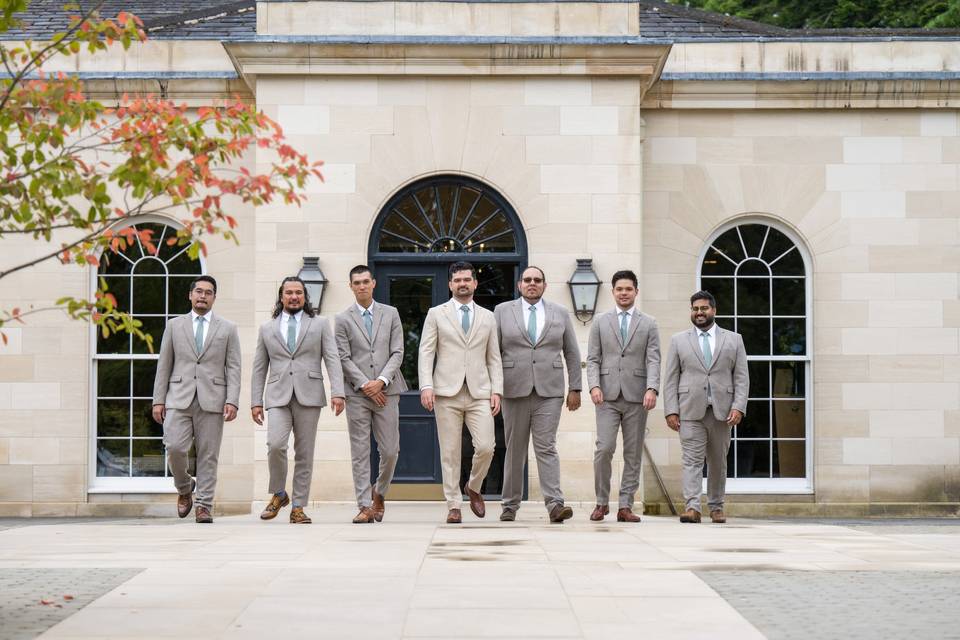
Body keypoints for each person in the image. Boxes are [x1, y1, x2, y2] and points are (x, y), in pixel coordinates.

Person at [250, 276, 345, 524]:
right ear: (281, 297)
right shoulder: (267, 328)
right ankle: (279, 494)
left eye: (299, 293)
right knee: (275, 445)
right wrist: (255, 401)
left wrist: (338, 392)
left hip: (310, 394)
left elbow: (332, 359)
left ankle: (299, 507)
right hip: (277, 395)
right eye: (289, 293)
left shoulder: (320, 324)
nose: (294, 297)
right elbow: (259, 367)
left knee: (304, 453)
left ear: (305, 297)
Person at [494, 266, 581, 524]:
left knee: (546, 447)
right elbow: (493, 353)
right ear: (520, 284)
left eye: (538, 280)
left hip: (550, 391)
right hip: (513, 389)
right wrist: (494, 389)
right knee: (515, 449)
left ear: (545, 285)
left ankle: (555, 505)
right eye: (528, 280)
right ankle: (509, 505)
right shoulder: (502, 311)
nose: (532, 284)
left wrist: (575, 388)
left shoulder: (560, 313)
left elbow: (573, 353)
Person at [418, 261, 503, 524]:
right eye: (457, 280)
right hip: (446, 391)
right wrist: (426, 385)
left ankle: (473, 487)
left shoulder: (488, 317)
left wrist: (496, 390)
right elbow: (425, 351)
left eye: (467, 279)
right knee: (451, 452)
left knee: (487, 447)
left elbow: (494, 358)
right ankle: (453, 504)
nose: (462, 283)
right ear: (450, 284)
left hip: (479, 392)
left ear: (475, 283)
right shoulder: (436, 314)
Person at [152, 275, 241, 524]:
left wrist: (232, 400)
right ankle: (184, 488)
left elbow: (234, 367)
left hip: (213, 399)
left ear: (214, 297)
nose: (203, 296)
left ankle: (204, 505)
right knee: (175, 447)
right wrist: (158, 400)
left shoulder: (228, 328)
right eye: (199, 291)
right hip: (178, 397)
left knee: (208, 455)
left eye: (208, 292)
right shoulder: (174, 326)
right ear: (190, 295)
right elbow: (164, 365)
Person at [663, 290, 748, 524]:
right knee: (691, 460)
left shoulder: (734, 339)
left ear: (714, 310)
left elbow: (741, 377)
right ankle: (692, 507)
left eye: (703, 308)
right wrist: (671, 410)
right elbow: (670, 378)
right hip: (689, 411)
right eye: (695, 309)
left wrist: (739, 407)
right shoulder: (678, 340)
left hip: (722, 412)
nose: (699, 313)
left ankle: (716, 507)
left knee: (718, 461)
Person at [585, 269, 660, 523]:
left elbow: (654, 359)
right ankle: (601, 502)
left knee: (633, 453)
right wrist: (594, 386)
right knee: (603, 449)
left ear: (636, 292)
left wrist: (652, 388)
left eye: (628, 289)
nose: (624, 293)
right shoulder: (600, 321)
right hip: (605, 396)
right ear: (613, 292)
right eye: (619, 289)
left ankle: (625, 505)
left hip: (637, 396)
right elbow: (593, 359)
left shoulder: (649, 323)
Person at [335, 265, 406, 524]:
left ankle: (380, 492)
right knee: (360, 451)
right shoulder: (342, 319)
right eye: (357, 283)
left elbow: (398, 351)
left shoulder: (391, 314)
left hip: (388, 390)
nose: (362, 286)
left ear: (373, 283)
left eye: (366, 281)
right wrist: (366, 384)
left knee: (390, 451)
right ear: (351, 286)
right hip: (357, 394)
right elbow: (342, 356)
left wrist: (381, 381)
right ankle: (364, 506)